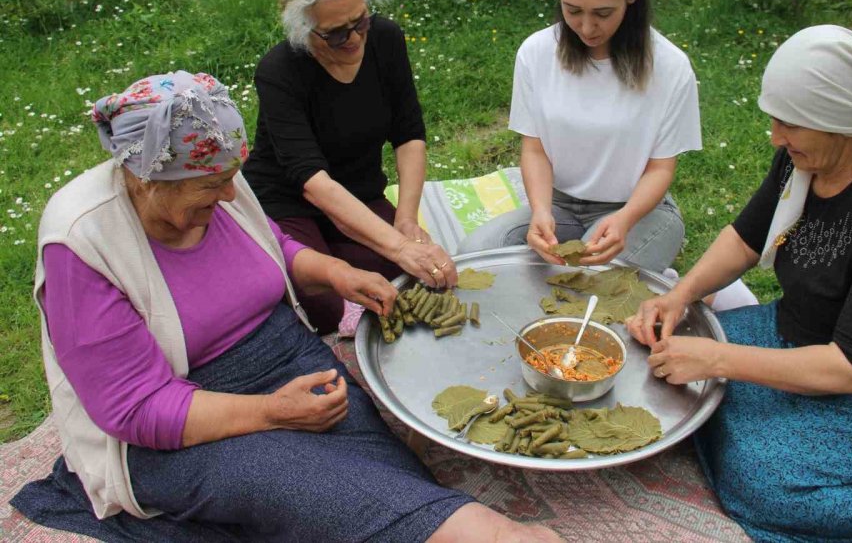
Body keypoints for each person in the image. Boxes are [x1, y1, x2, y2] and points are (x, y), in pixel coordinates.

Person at [10, 72, 560, 543]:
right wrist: (272, 414)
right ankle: (497, 535)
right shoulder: (83, 242)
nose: (230, 196)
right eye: (212, 186)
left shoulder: (218, 178)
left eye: (231, 180)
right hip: (176, 424)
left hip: (282, 360)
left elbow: (272, 246)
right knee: (318, 488)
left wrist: (338, 274)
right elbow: (134, 410)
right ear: (148, 178)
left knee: (381, 473)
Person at [626, 25, 852, 542]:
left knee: (764, 476)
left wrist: (717, 358)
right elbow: (746, 238)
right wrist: (677, 295)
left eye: (790, 125)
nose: (776, 137)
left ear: (841, 120)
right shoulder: (801, 161)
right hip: (809, 332)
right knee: (665, 369)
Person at [457, 0, 701, 271]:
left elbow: (661, 168)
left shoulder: (670, 67)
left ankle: (662, 279)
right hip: (559, 207)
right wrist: (540, 211)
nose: (587, 28)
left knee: (592, 281)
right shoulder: (536, 53)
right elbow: (535, 148)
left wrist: (625, 219)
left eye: (602, 14)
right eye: (573, 11)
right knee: (474, 256)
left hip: (636, 210)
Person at [243, 0, 456, 335]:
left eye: (360, 21)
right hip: (288, 198)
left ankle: (342, 248)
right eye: (336, 33)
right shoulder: (279, 72)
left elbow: (409, 135)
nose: (354, 38)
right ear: (304, 29)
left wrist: (405, 222)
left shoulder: (386, 40)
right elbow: (312, 181)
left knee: (400, 277)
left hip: (358, 191)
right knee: (323, 307)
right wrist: (399, 245)